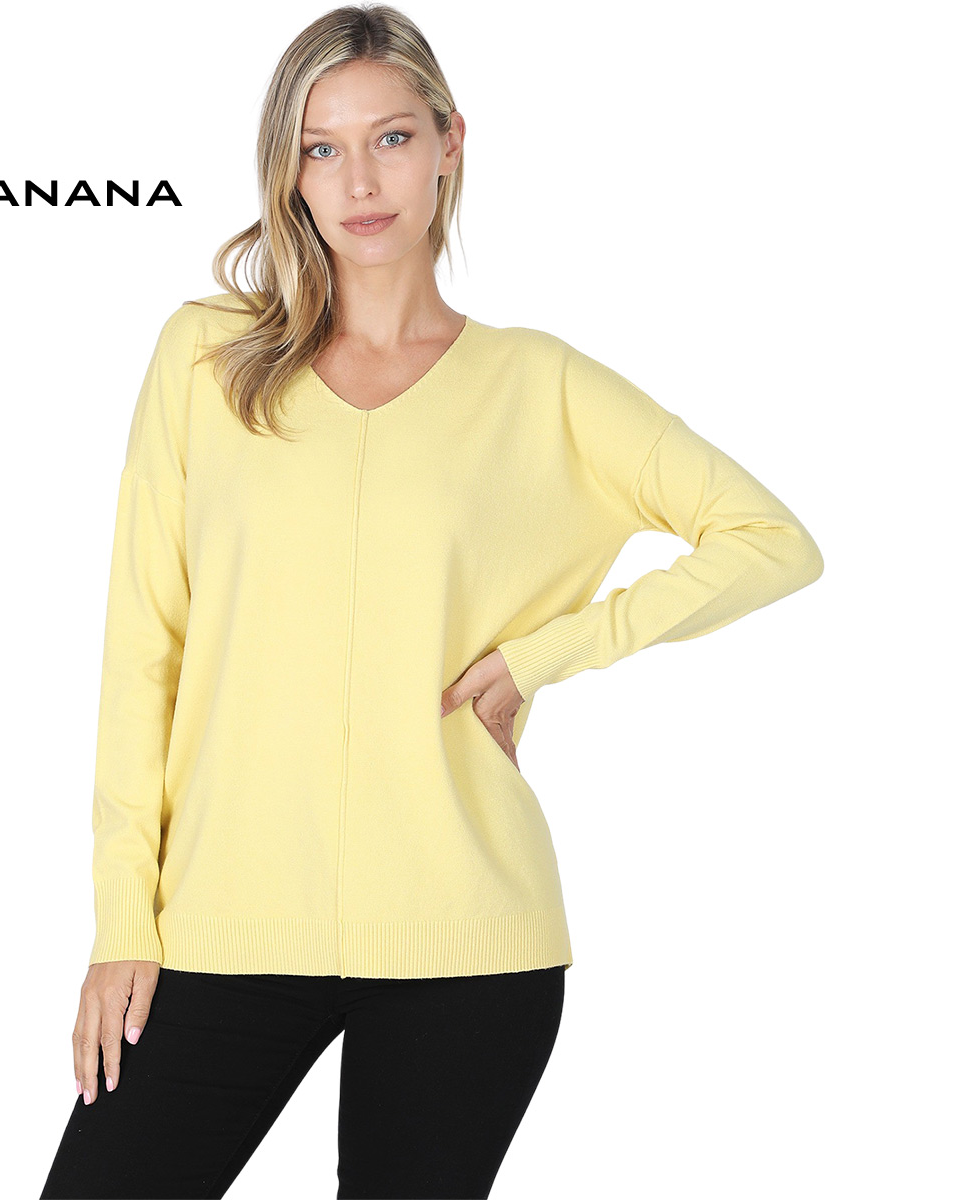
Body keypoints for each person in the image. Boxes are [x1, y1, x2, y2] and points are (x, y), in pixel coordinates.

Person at [40, 5, 825, 1198]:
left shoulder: (538, 384)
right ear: (288, 171)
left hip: (470, 941)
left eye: (392, 138)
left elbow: (772, 541)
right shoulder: (206, 360)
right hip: (218, 925)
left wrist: (547, 654)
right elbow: (142, 651)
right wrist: (121, 924)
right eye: (322, 148)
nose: (359, 181)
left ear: (451, 142)